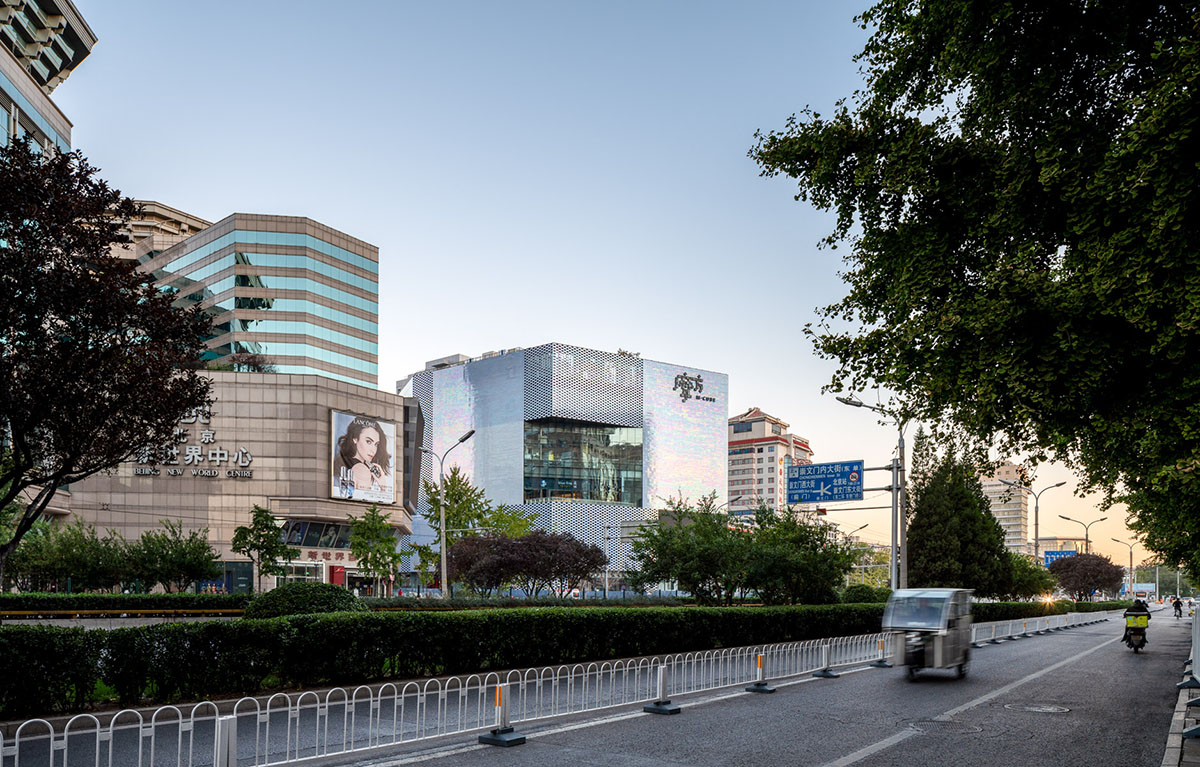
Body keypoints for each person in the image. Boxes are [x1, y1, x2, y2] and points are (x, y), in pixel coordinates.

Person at [333, 417, 393, 499]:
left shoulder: (344, 462)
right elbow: (364, 503)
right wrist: (383, 488)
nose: (373, 450)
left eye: (376, 444)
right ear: (355, 439)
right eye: (368, 441)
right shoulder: (361, 469)